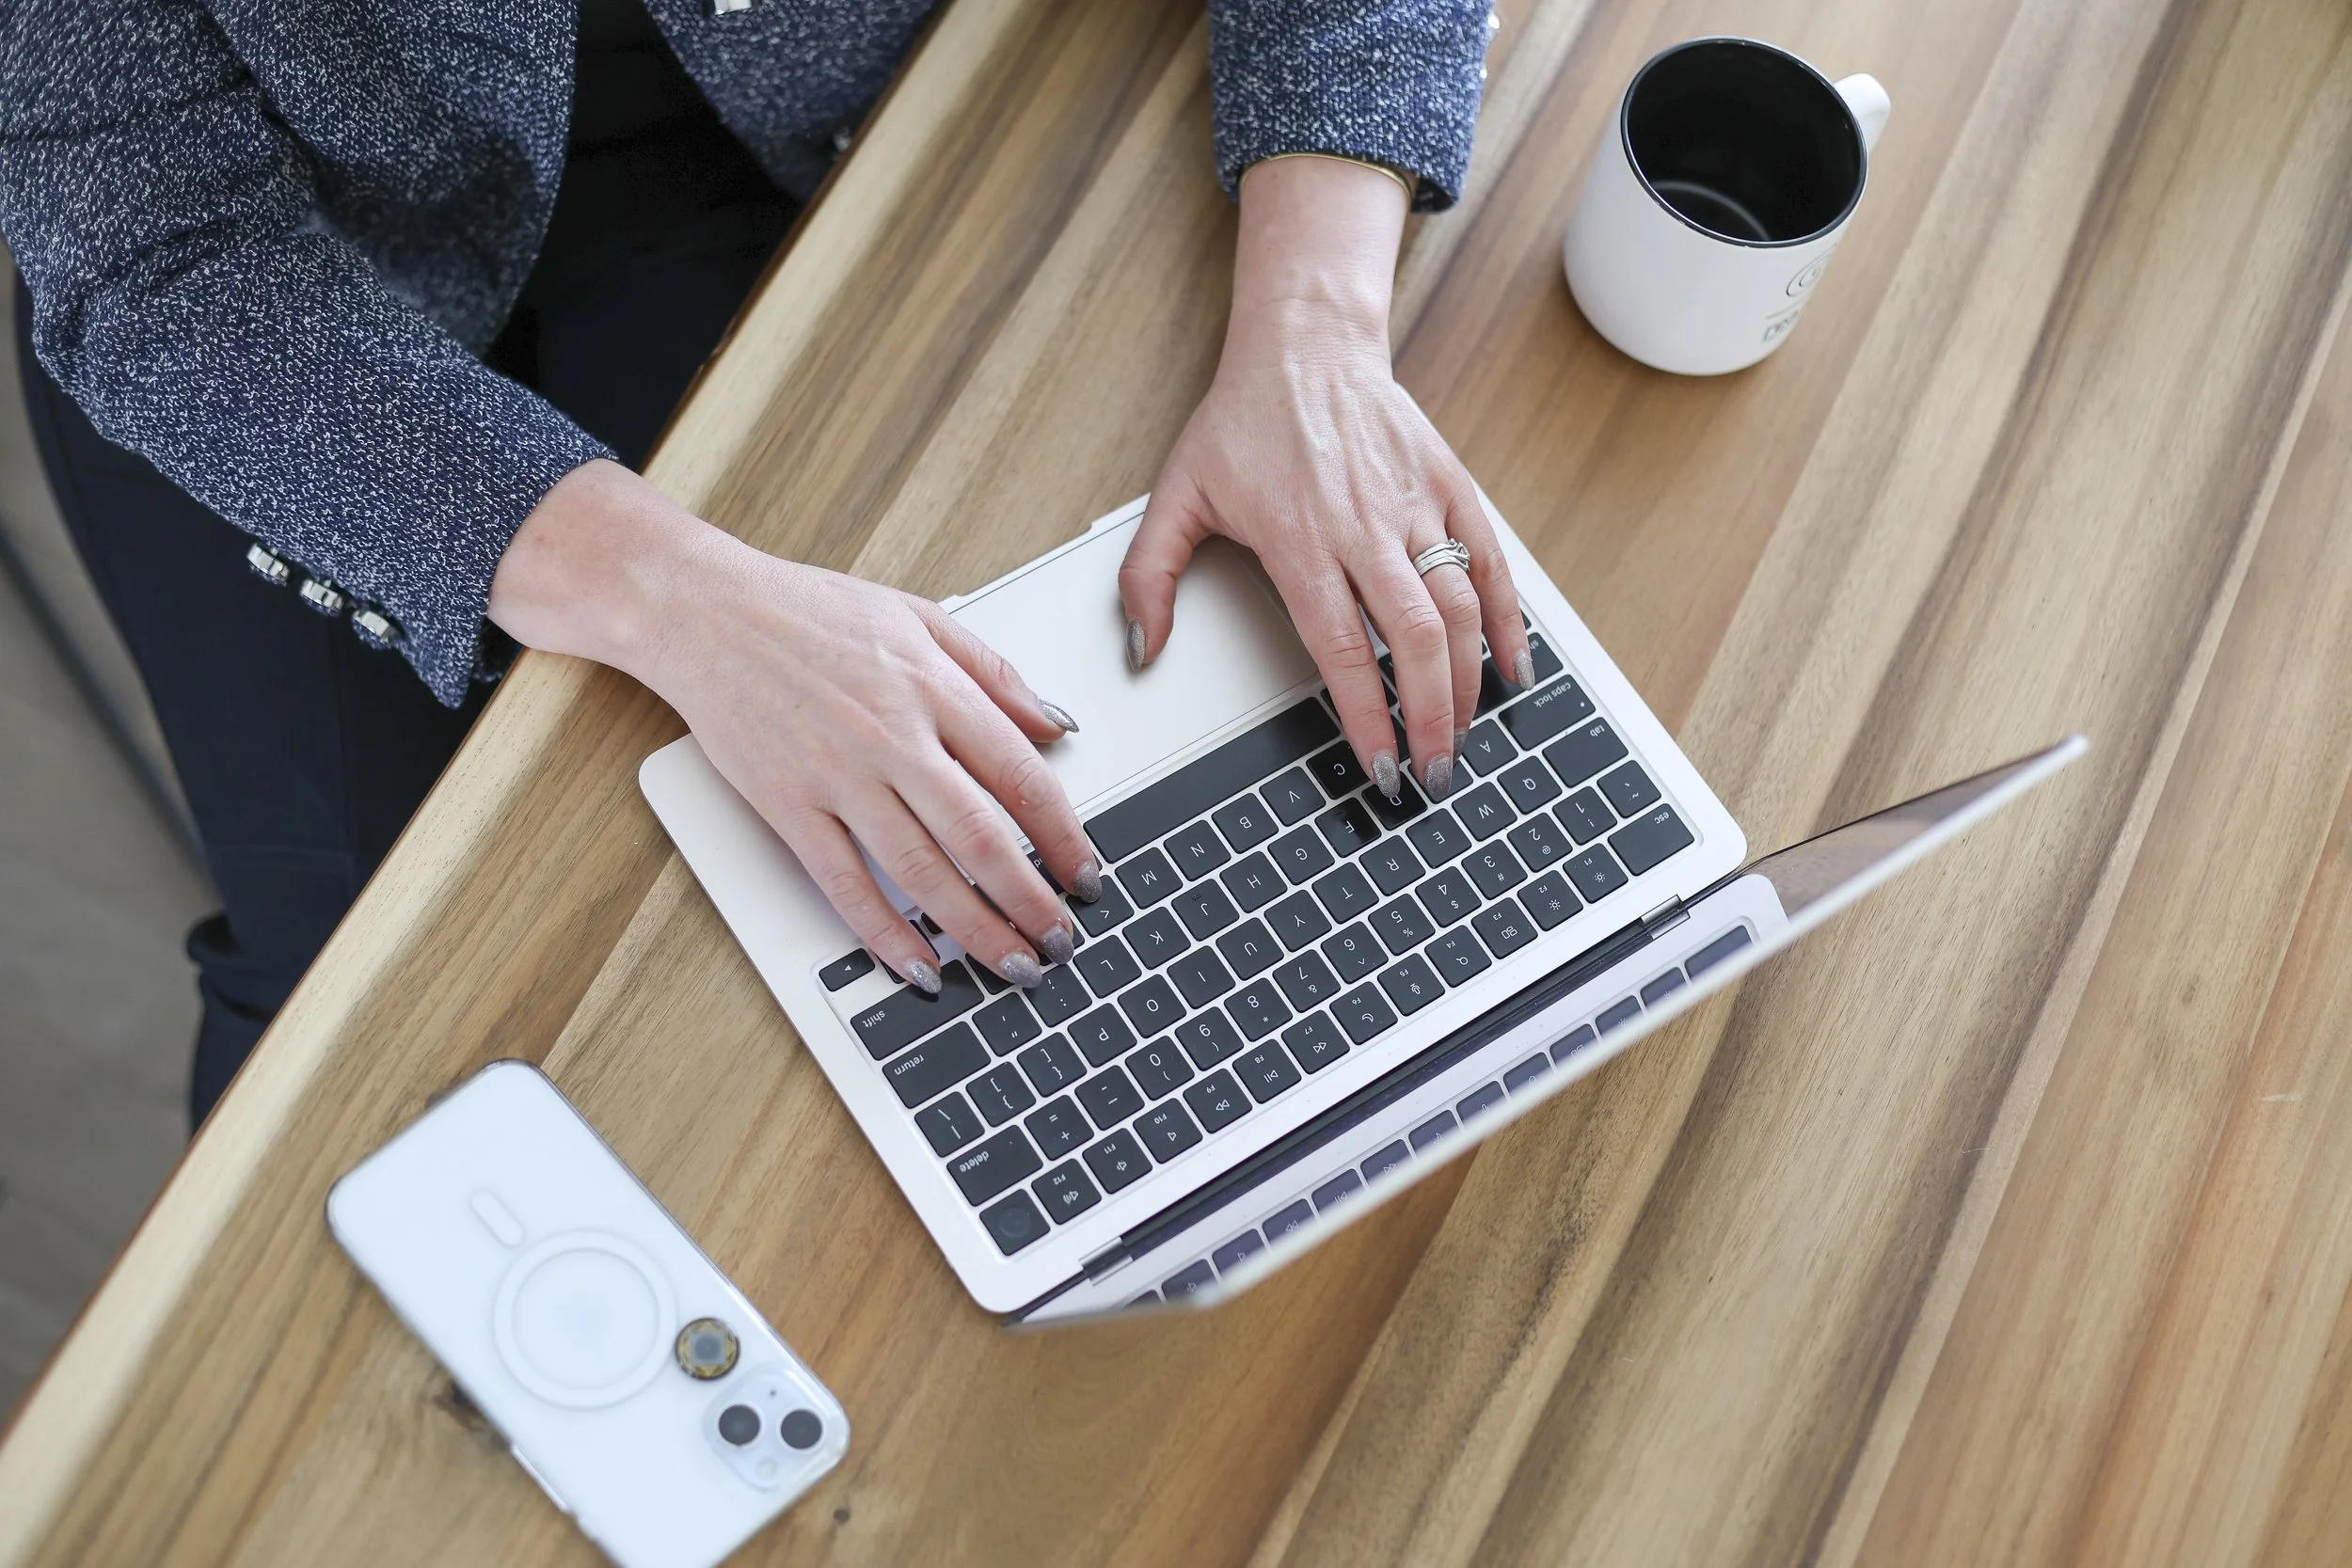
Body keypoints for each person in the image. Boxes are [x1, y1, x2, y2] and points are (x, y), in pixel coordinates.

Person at [0, 0, 1531, 1127]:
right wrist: (680, 598)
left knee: (809, 944)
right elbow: (155, 250)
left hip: (781, 138)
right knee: (349, 1026)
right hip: (262, 274)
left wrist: (1315, 328)